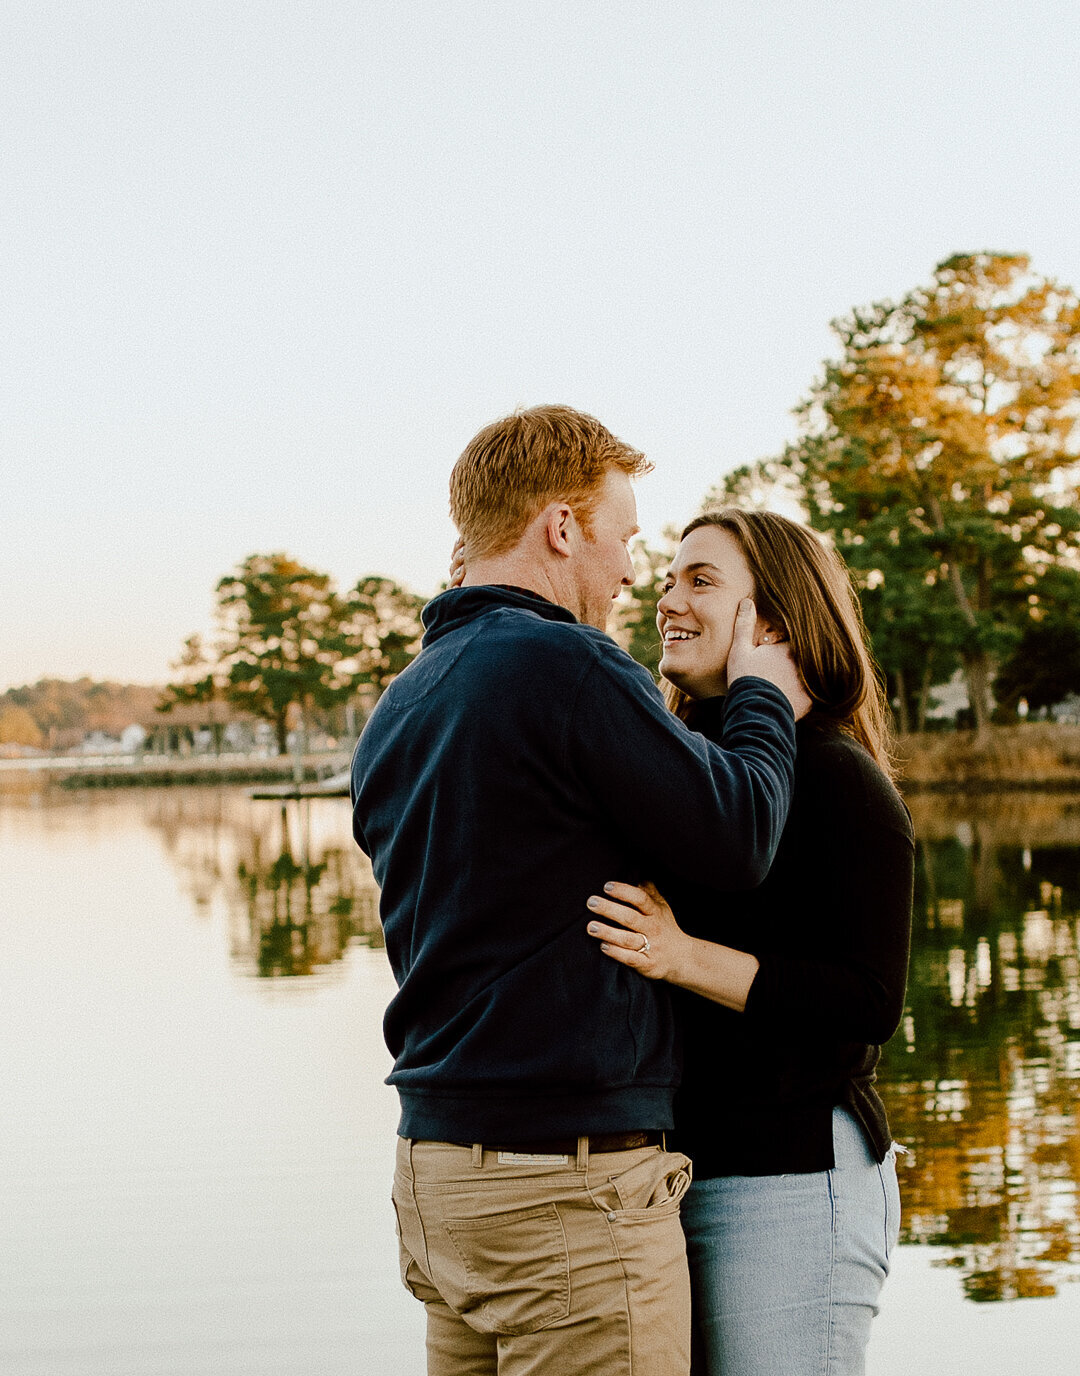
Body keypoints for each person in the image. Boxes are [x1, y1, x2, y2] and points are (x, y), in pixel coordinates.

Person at [350, 407, 810, 1376]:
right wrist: (763, 691)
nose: (634, 573)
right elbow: (738, 837)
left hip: (437, 1176)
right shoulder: (563, 661)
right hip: (566, 1185)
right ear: (563, 528)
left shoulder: (407, 698)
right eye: (627, 537)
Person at [585, 508, 915, 1376]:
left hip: (793, 1181)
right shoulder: (690, 768)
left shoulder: (839, 779)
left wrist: (682, 953)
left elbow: (867, 1004)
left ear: (768, 621)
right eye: (667, 578)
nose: (667, 599)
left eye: (701, 581)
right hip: (676, 1178)